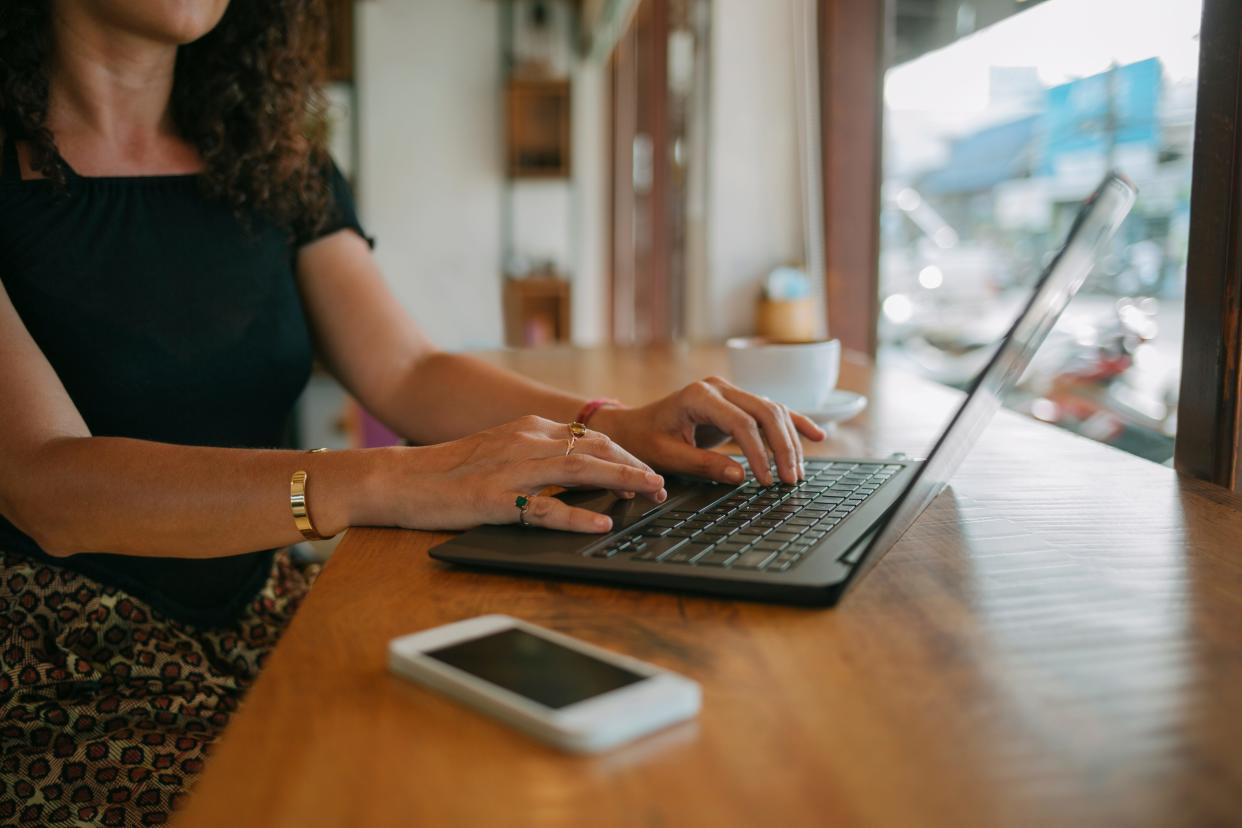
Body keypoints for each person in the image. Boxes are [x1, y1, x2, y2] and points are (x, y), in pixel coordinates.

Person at [0, 1, 823, 824]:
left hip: (265, 608)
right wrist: (390, 479)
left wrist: (612, 423)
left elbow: (406, 368)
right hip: (59, 661)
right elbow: (45, 482)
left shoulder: (272, 160)